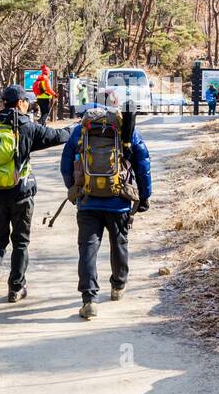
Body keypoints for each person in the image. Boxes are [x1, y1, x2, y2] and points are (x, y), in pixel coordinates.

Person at [0, 84, 70, 305]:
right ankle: (16, 288)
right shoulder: (29, 128)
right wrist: (78, 129)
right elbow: (59, 136)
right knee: (20, 242)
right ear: (21, 103)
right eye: (27, 101)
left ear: (3, 103)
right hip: (22, 195)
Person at [61, 92, 152, 320]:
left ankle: (89, 299)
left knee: (88, 248)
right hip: (118, 200)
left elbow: (65, 161)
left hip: (88, 199)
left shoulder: (81, 128)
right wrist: (145, 195)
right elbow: (142, 162)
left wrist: (74, 188)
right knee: (119, 242)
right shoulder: (124, 128)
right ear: (114, 106)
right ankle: (118, 286)